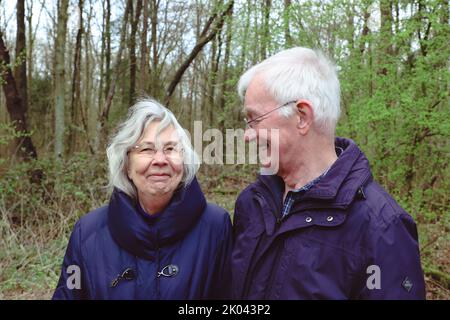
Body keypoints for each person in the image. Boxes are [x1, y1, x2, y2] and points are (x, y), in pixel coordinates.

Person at [231, 47, 426, 299]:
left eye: (254, 119)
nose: (247, 135)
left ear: (302, 116)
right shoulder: (252, 204)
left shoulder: (382, 229)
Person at [53, 98, 232, 300]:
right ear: (126, 165)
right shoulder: (87, 234)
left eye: (171, 149)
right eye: (147, 149)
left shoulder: (216, 228)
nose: (160, 160)